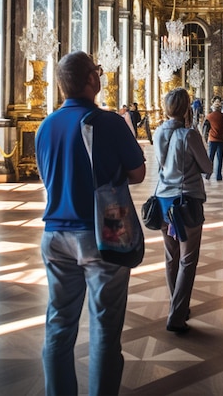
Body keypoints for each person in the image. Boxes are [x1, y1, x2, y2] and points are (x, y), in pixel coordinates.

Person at [35, 51, 146, 396]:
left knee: (58, 326)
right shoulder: (109, 122)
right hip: (103, 232)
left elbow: (46, 178)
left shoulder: (45, 126)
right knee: (104, 329)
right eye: (97, 71)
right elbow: (139, 174)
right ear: (92, 80)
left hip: (54, 234)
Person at [153, 88, 213, 333]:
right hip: (186, 201)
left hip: (162, 199)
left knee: (171, 256)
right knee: (188, 259)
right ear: (187, 106)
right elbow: (207, 166)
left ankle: (175, 304)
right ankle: (177, 315)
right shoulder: (189, 135)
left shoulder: (157, 132)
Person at [203, 99, 223, 180]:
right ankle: (218, 175)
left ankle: (208, 174)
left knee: (210, 158)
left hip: (212, 139)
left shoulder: (209, 116)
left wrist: (205, 138)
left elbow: (206, 128)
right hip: (221, 140)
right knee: (220, 158)